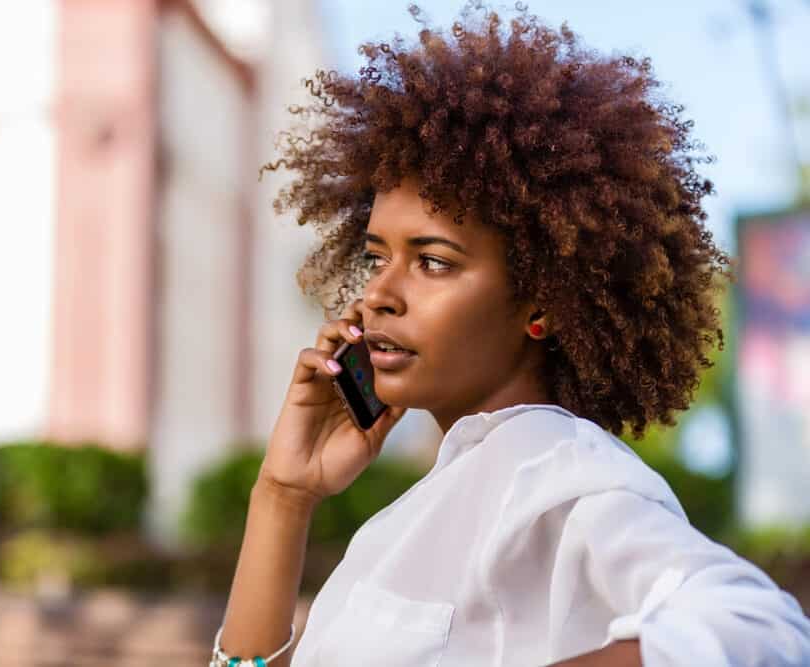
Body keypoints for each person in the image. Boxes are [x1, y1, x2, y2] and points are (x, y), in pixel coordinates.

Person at [209, 3, 810, 666]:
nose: (378, 293)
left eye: (434, 261)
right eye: (378, 257)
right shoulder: (428, 502)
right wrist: (283, 498)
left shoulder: (554, 465)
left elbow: (761, 626)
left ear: (541, 302)